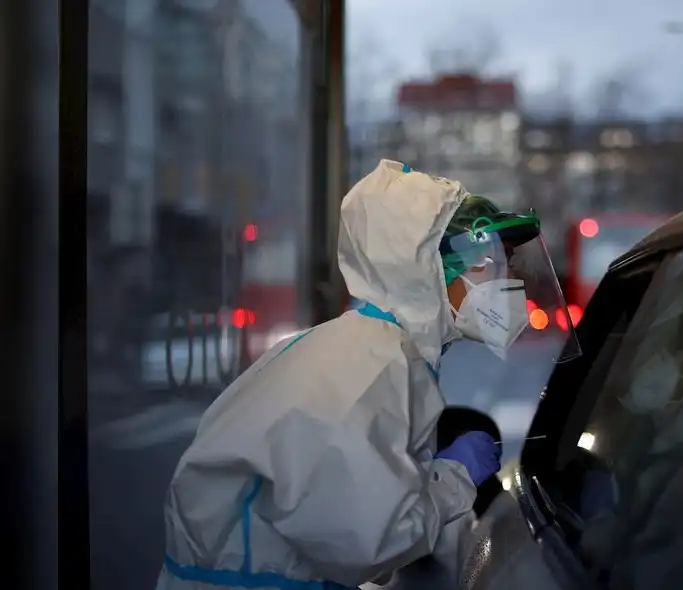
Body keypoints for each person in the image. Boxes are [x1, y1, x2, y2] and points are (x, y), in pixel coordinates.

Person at [156, 160, 577, 589]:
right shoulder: (368, 370)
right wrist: (455, 477)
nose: (515, 280)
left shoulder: (373, 350)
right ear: (427, 267)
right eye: (493, 262)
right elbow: (368, 545)